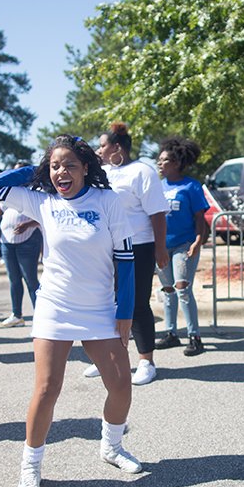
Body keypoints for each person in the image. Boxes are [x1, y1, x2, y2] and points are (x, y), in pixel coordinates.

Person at [0, 135, 140, 487]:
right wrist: (37, 170)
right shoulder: (43, 201)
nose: (61, 172)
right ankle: (31, 466)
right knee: (47, 388)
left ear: (86, 167)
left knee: (120, 385)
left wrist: (125, 311)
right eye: (55, 166)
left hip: (100, 308)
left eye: (70, 164)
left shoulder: (107, 201)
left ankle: (111, 447)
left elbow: (127, 261)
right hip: (54, 305)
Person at [82, 122, 169, 384]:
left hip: (137, 246)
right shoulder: (100, 173)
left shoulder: (142, 171)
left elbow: (157, 213)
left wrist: (160, 248)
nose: (99, 149)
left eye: (103, 145)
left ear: (117, 147)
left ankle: (146, 361)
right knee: (107, 303)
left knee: (136, 302)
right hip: (105, 247)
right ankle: (107, 357)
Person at [154, 136, 209, 357]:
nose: (159, 164)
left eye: (164, 160)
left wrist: (197, 242)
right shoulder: (157, 187)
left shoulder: (191, 186)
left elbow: (199, 219)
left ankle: (194, 337)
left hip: (185, 244)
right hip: (161, 246)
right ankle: (170, 333)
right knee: (167, 290)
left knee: (182, 287)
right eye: (159, 160)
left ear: (176, 163)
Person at [0, 162, 42, 329]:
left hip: (28, 240)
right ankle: (17, 315)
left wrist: (28, 225)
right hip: (7, 242)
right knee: (14, 280)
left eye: (19, 172)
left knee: (31, 280)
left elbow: (43, 217)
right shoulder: (7, 192)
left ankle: (41, 315)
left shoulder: (35, 192)